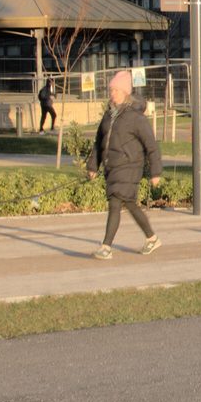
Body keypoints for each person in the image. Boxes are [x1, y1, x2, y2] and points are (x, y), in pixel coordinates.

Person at [86, 69, 163, 259]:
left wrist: (155, 172)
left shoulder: (136, 117)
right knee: (129, 203)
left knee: (115, 202)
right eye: (111, 90)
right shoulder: (108, 116)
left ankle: (106, 247)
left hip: (129, 167)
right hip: (112, 167)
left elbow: (151, 145)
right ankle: (152, 238)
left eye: (116, 90)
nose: (112, 94)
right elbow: (99, 142)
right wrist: (93, 166)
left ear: (126, 93)